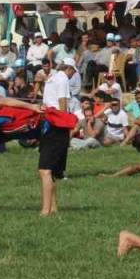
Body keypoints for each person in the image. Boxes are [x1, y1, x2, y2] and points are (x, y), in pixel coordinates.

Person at [38, 58, 78, 215]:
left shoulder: (52, 78)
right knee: (47, 169)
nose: (73, 75)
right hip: (56, 123)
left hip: (50, 123)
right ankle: (50, 207)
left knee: (46, 170)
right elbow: (63, 103)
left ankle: (47, 209)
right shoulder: (62, 80)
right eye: (73, 72)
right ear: (68, 69)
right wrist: (66, 124)